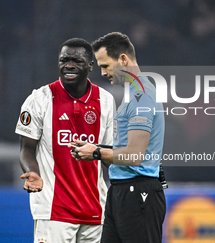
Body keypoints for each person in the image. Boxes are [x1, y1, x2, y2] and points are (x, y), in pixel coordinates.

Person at [15, 38, 114, 243]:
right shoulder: (38, 99)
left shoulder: (105, 100)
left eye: (76, 60)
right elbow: (26, 149)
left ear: (90, 65)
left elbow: (108, 152)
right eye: (64, 60)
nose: (68, 65)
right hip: (53, 211)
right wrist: (33, 173)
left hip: (95, 209)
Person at [71, 32, 166, 243]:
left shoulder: (142, 96)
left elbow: (134, 156)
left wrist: (96, 152)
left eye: (105, 65)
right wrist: (95, 148)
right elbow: (125, 149)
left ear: (123, 59)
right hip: (122, 192)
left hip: (138, 193)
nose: (103, 73)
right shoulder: (133, 94)